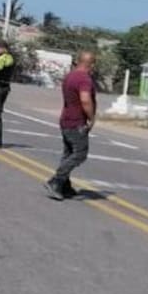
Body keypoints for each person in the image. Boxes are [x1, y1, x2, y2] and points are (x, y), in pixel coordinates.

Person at [45, 52, 97, 200]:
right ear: (91, 64)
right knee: (80, 154)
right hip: (77, 122)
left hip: (66, 119)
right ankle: (56, 181)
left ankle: (64, 186)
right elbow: (85, 100)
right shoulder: (84, 79)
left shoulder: (70, 76)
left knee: (68, 153)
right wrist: (91, 118)